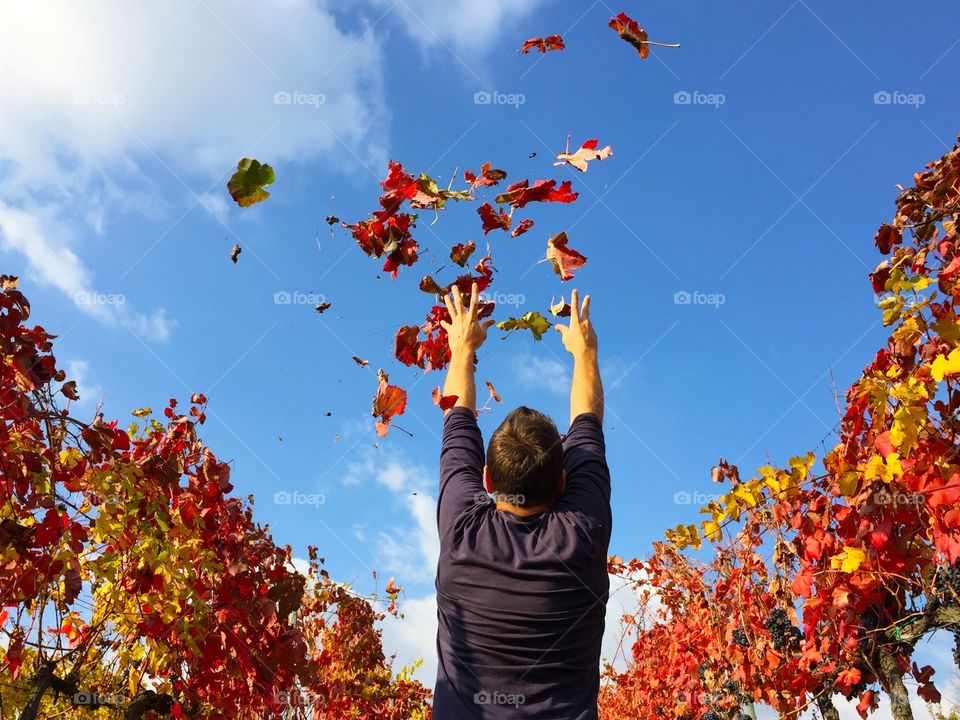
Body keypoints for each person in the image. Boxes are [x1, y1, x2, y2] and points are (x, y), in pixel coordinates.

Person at [433, 282, 610, 719]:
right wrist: (583, 351)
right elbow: (587, 419)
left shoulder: (462, 531)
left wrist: (462, 348)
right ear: (564, 481)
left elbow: (458, 415)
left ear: (487, 479)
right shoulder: (582, 536)